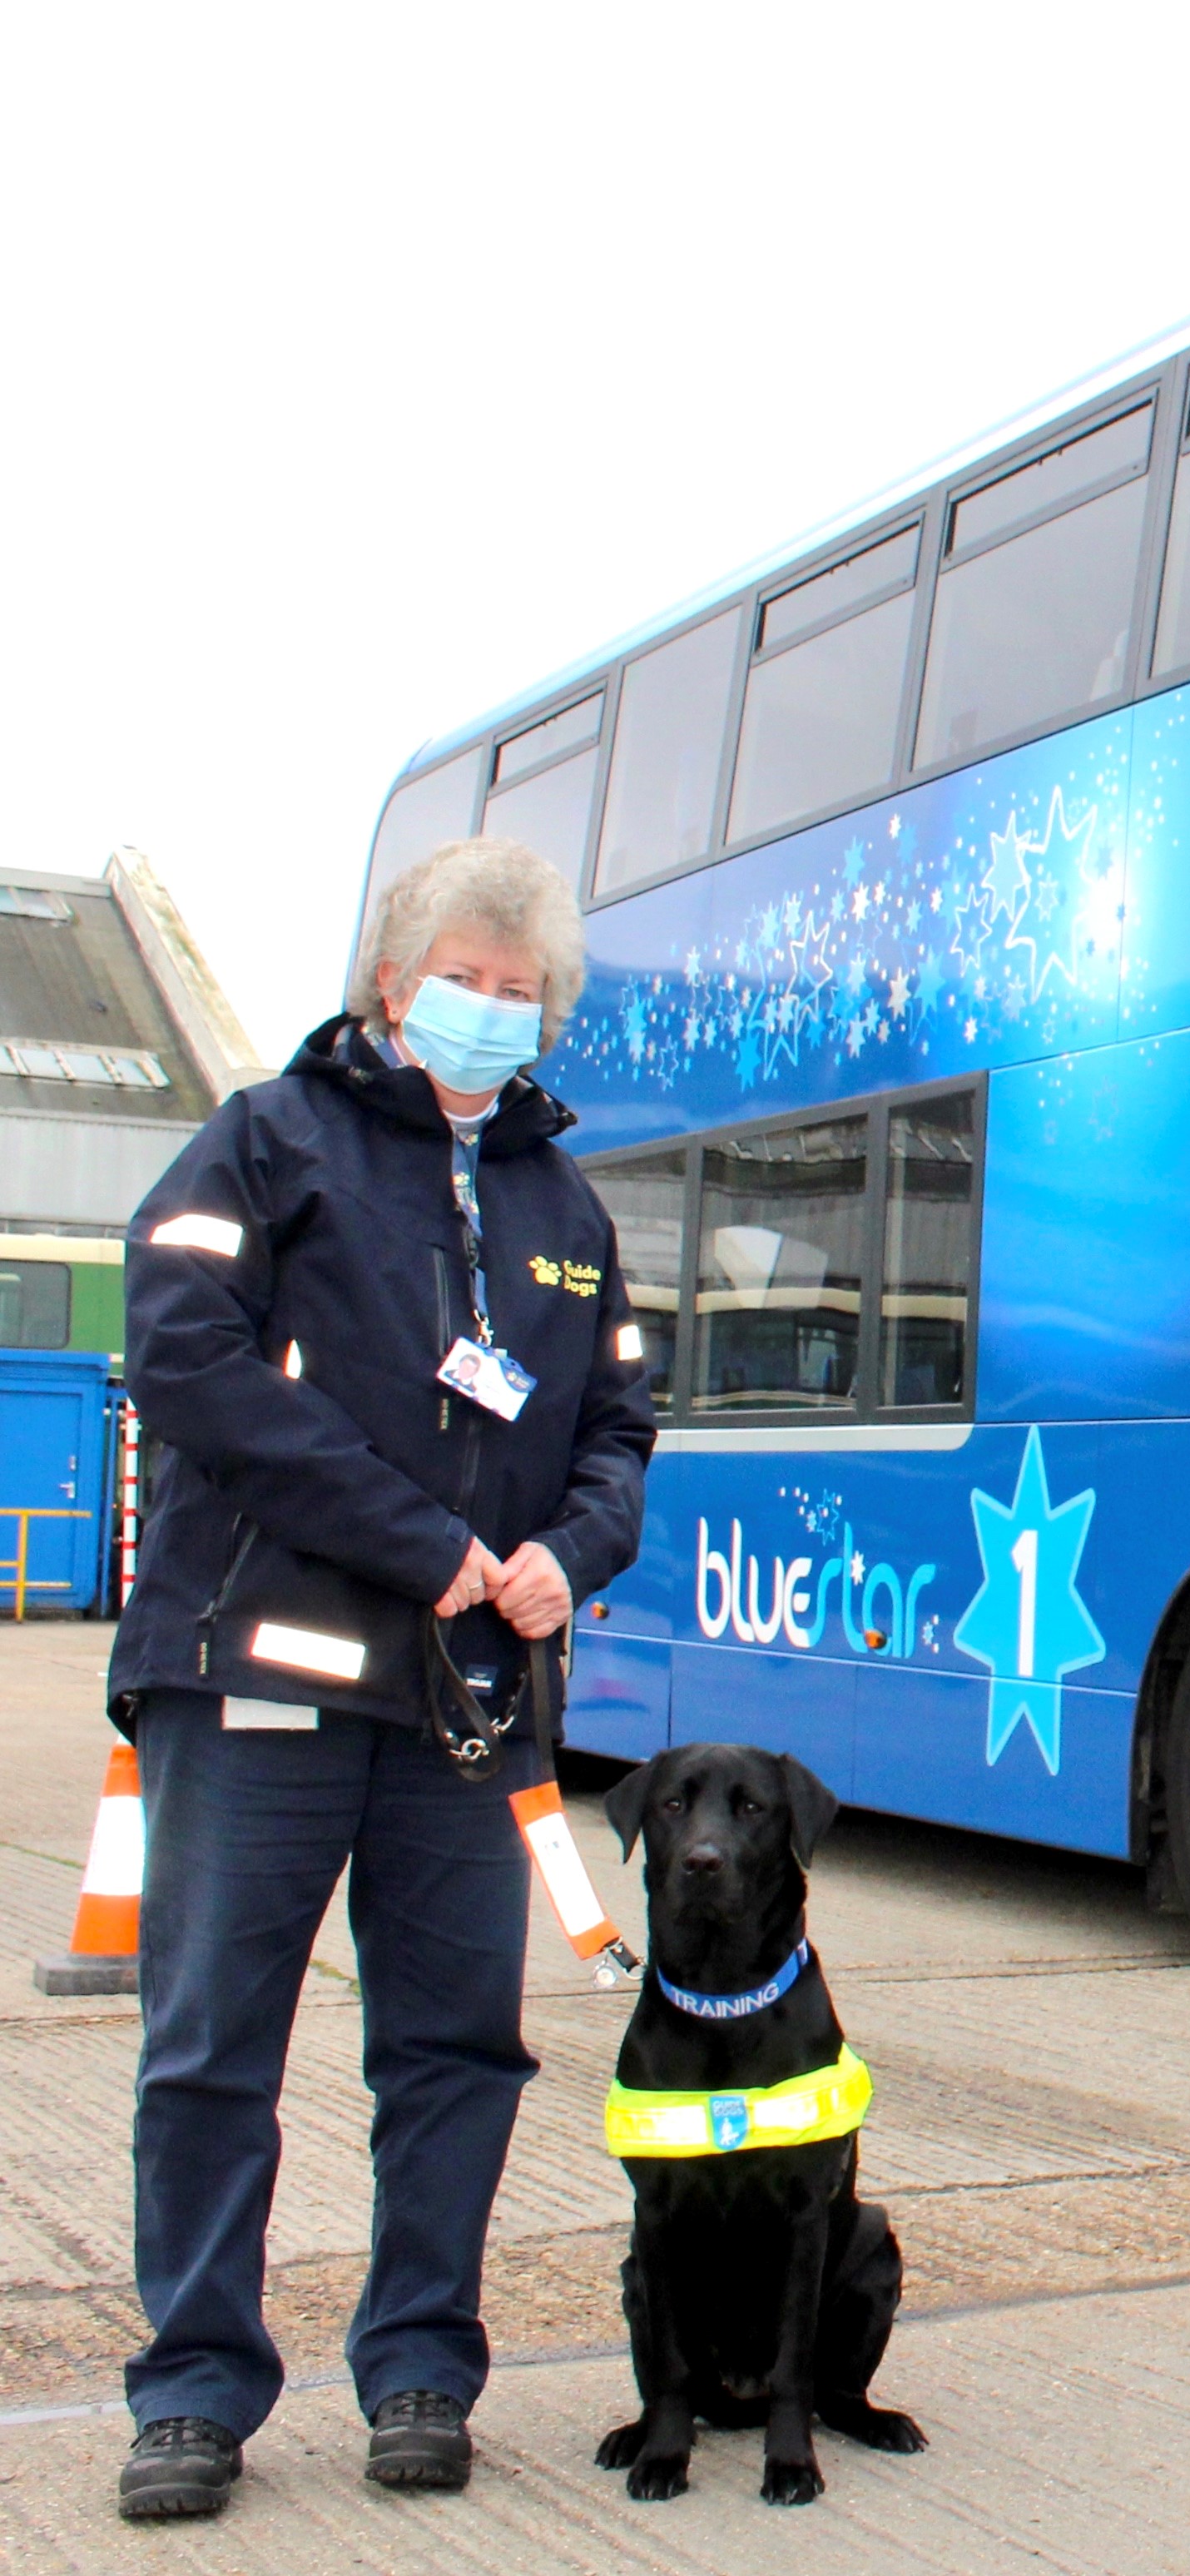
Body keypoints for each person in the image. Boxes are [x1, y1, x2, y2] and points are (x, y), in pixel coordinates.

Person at [107, 836, 656, 2521]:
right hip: (264, 1680)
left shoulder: (568, 1209)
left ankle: (422, 2363)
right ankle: (194, 2387)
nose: (492, 1011)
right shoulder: (265, 1142)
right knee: (213, 2044)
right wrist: (415, 1537)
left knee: (455, 2052)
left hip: (471, 1711)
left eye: (519, 989)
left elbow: (622, 1422)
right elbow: (184, 1356)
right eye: (462, 980)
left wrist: (580, 1544)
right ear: (390, 980)